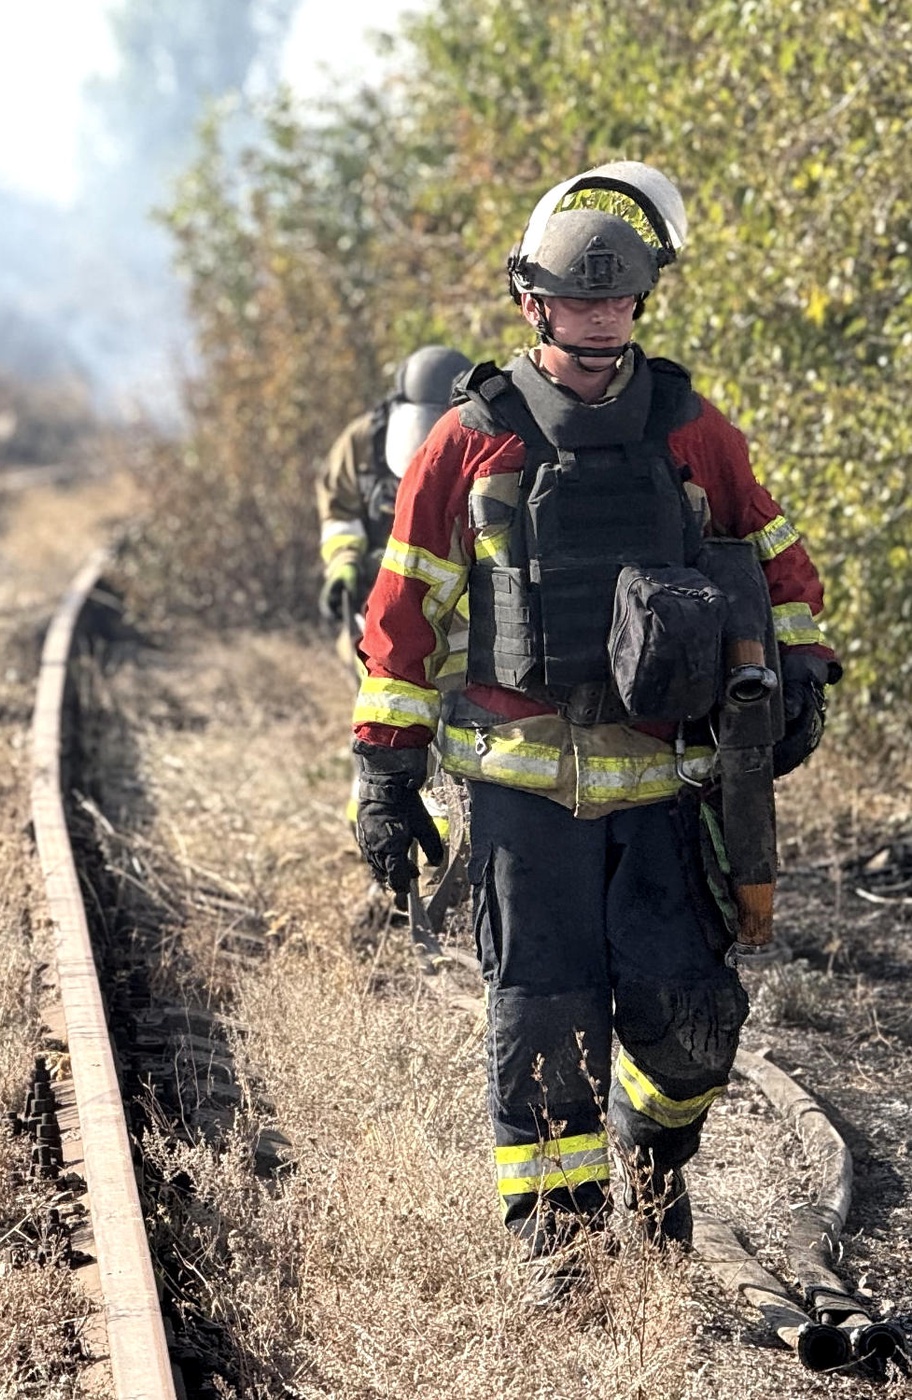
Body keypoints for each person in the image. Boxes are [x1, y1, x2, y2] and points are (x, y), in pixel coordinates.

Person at [349, 162, 840, 1301]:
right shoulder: (470, 440)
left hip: (668, 789)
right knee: (541, 1025)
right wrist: (384, 772)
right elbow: (401, 611)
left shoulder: (689, 428)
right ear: (534, 304)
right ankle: (555, 1250)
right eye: (580, 301)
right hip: (525, 805)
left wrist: (802, 665)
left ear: (639, 304)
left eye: (618, 302)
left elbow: (777, 559)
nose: (600, 320)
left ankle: (654, 1170)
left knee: (687, 1019)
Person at [318, 346, 470, 845]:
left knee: (443, 711)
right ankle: (373, 820)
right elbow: (337, 509)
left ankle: (438, 832)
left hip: (444, 600)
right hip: (373, 599)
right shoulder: (362, 442)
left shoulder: (477, 433)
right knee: (377, 712)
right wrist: (342, 561)